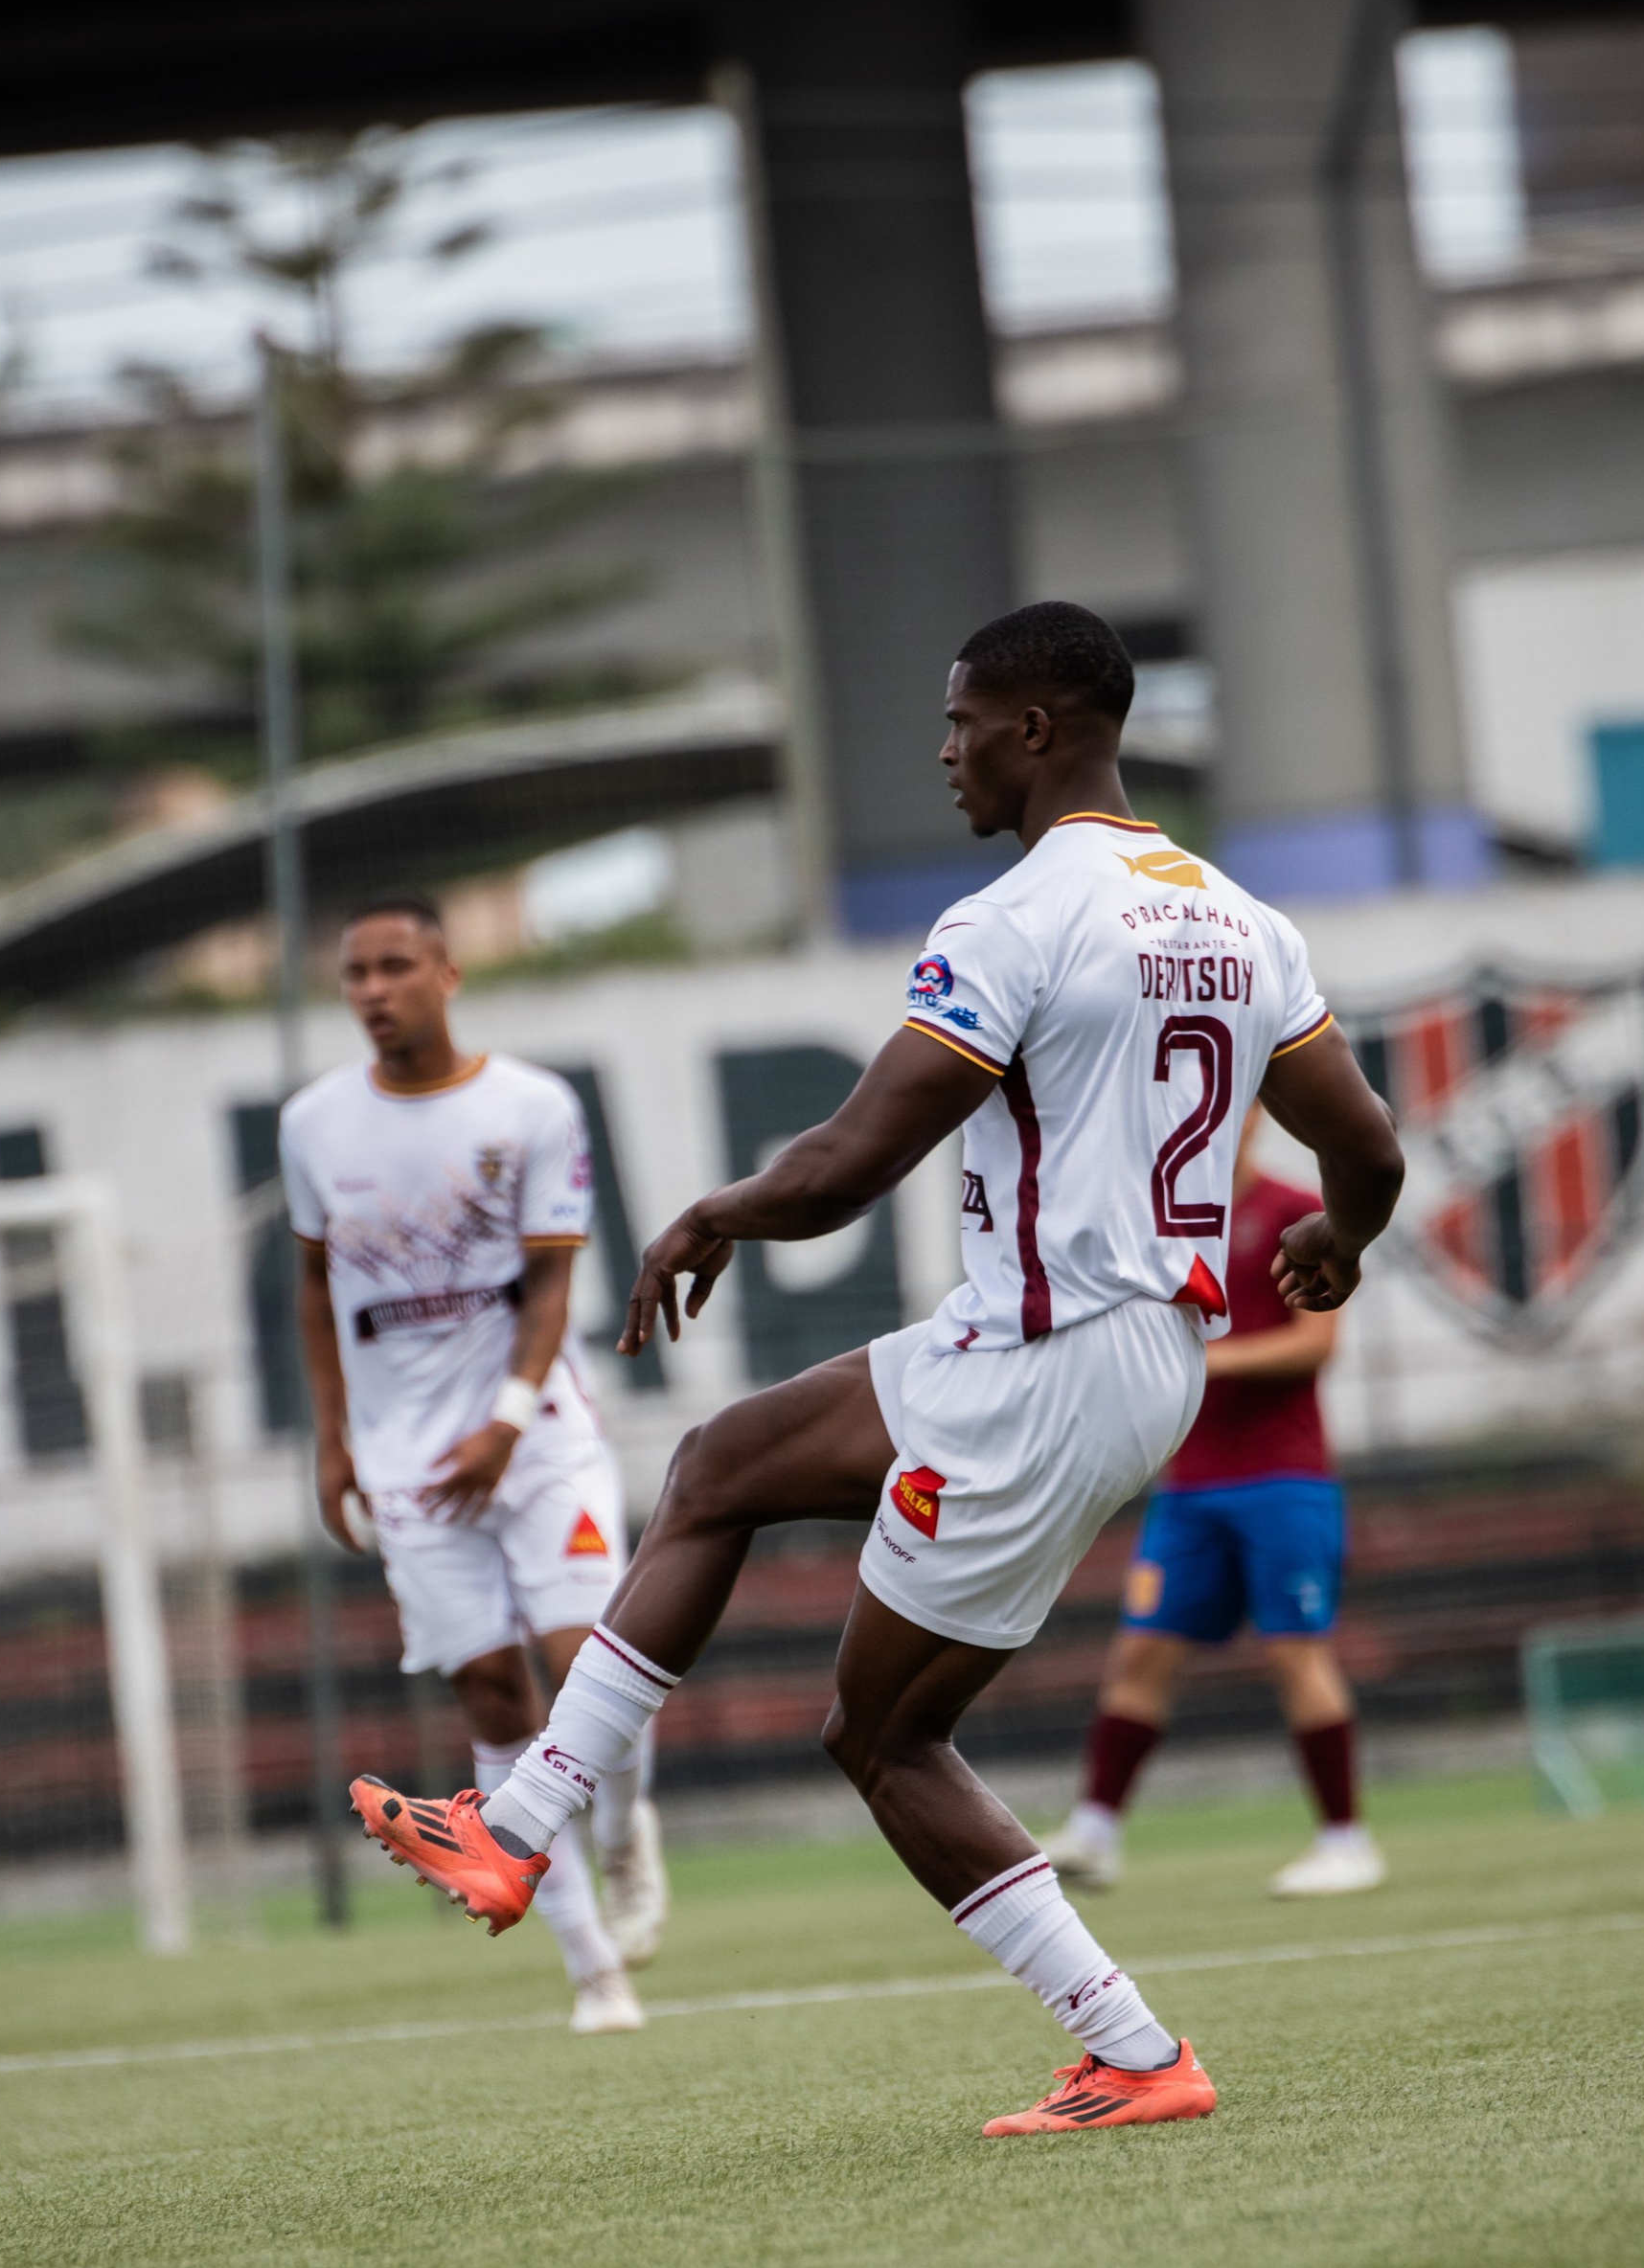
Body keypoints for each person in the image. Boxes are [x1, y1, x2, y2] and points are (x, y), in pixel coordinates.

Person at [351, 601, 1404, 2139]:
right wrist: (1340, 1241)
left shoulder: (1015, 917)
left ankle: (1126, 2049)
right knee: (724, 1476)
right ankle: (518, 1826)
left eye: (966, 718)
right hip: (1139, 1358)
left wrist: (719, 1212)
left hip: (1044, 1349)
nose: (947, 749)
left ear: (1038, 730)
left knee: (876, 1725)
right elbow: (1366, 1150)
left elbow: (854, 1160)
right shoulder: (1246, 921)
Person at [285, 895, 671, 2033]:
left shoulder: (532, 1105)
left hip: (537, 1439)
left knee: (590, 1666)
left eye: (394, 965)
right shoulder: (313, 1124)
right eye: (353, 972)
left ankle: (622, 1828)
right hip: (408, 1465)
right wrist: (332, 1434)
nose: (371, 990)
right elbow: (312, 1286)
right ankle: (593, 1967)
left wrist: (504, 1418)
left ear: (447, 974)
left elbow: (551, 1284)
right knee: (495, 1690)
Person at [1051, 1107, 1382, 1900]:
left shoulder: (1294, 1211)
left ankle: (1346, 1842)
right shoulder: (1155, 1222)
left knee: (1294, 1652)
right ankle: (1095, 1834)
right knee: (1140, 1654)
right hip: (1189, 1484)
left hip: (1282, 1478)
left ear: (1254, 1116)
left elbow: (1316, 1343)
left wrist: (1208, 1361)